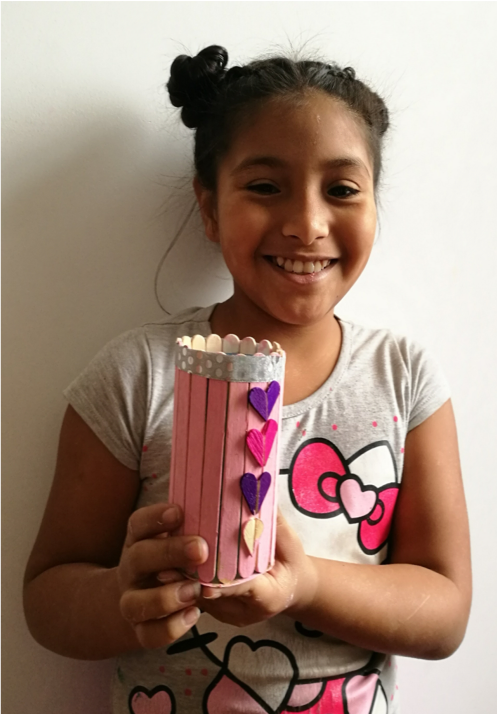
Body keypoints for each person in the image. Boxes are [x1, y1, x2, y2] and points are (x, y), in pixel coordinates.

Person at [23, 45, 471, 713]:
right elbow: (47, 598)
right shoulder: (136, 375)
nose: (306, 224)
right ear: (209, 207)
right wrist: (123, 597)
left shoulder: (403, 378)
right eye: (264, 187)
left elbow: (445, 613)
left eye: (342, 189)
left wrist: (305, 586)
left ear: (374, 204)